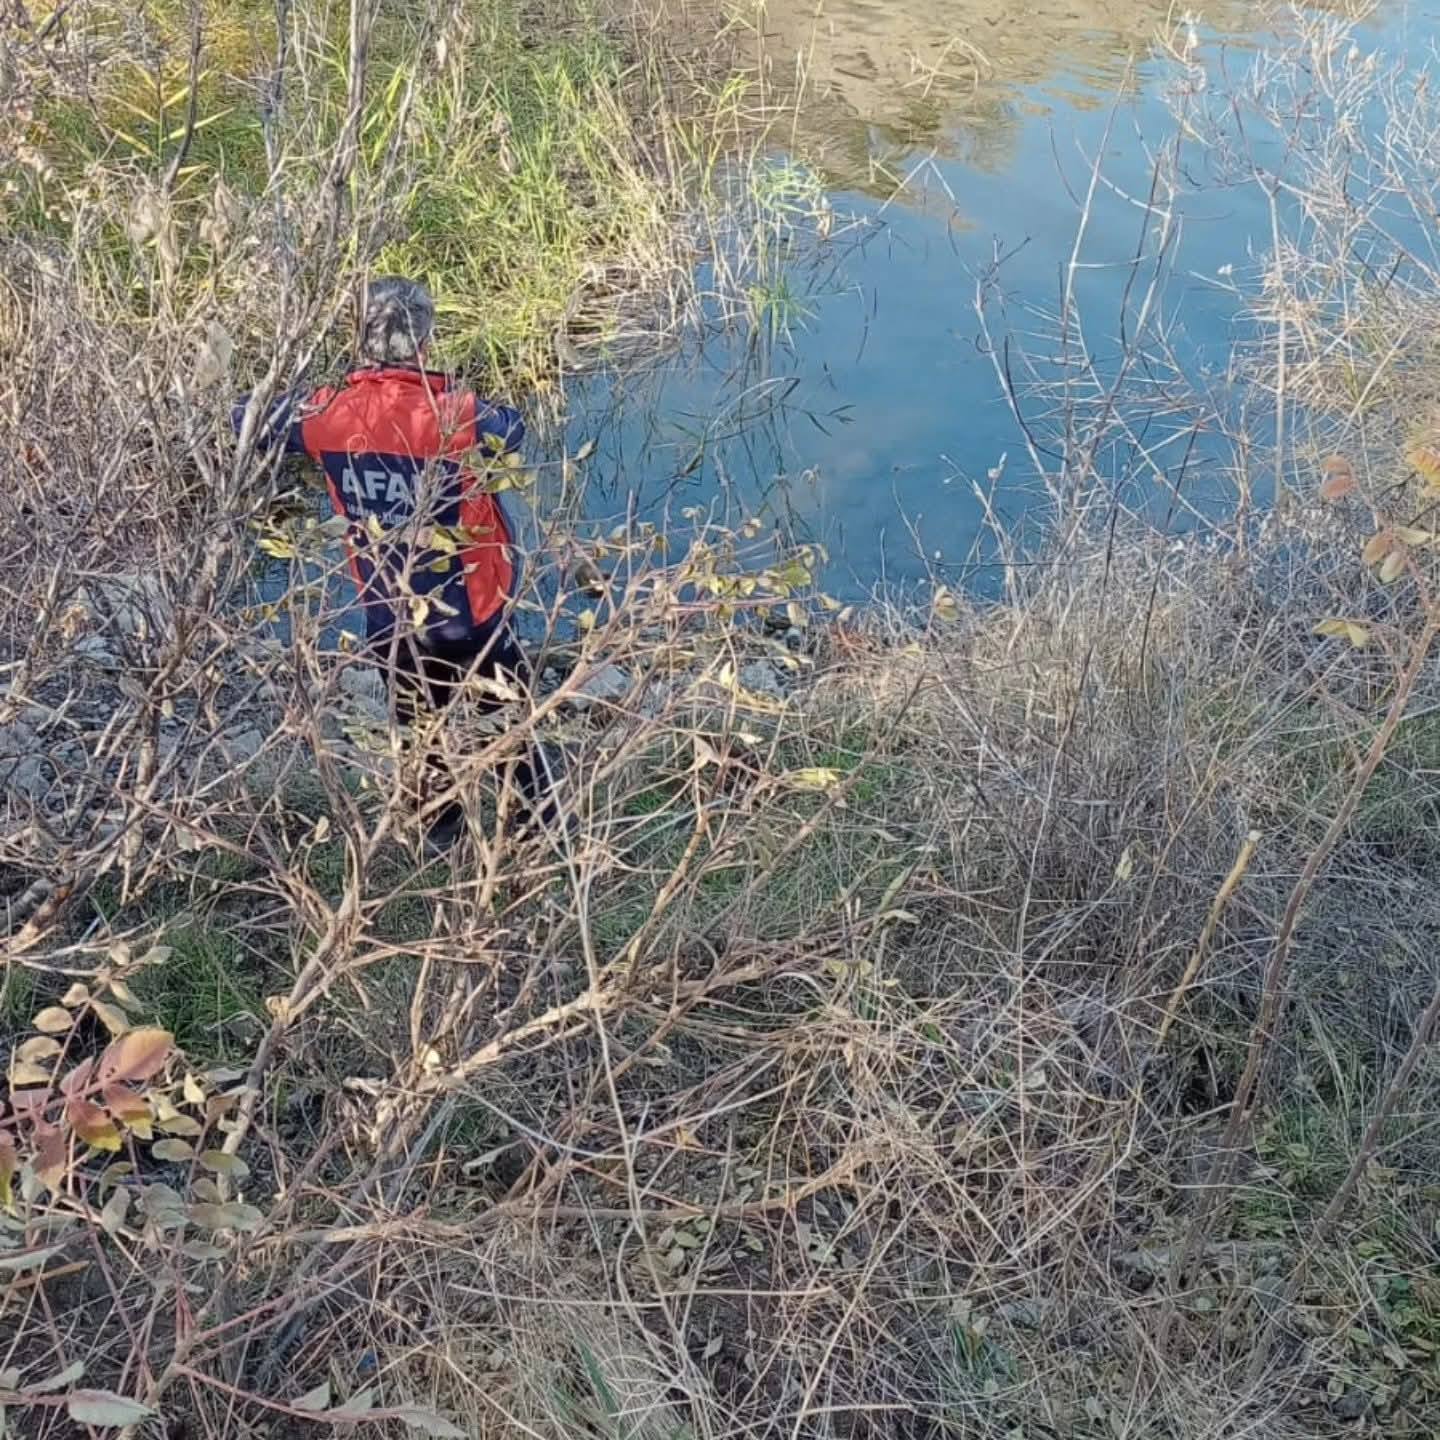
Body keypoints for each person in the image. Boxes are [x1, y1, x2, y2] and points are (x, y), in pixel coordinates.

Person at [234, 276, 557, 850]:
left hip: (390, 620)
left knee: (419, 734)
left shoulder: (325, 415)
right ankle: (534, 832)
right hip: (474, 619)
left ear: (360, 340)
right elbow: (514, 431)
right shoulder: (457, 414)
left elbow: (248, 416)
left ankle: (440, 837)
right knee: (510, 728)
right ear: (426, 339)